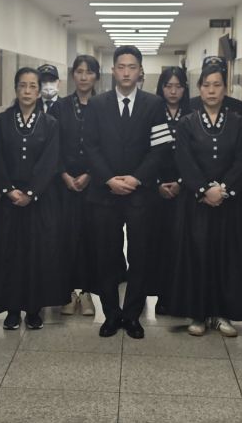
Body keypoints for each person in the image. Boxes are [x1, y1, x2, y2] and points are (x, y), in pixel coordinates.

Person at [164, 62, 242, 336]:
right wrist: (205, 189)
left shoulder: (238, 122)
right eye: (206, 85)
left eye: (217, 85)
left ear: (225, 89)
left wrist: (224, 189)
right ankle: (198, 314)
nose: (212, 90)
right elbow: (184, 160)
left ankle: (222, 314)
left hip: (231, 204)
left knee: (228, 257)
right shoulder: (187, 123)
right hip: (197, 203)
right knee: (198, 256)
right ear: (199, 89)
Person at [83, 46, 165, 338]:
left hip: (141, 193)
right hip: (104, 193)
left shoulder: (154, 104)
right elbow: (89, 146)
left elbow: (160, 148)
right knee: (106, 254)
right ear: (113, 71)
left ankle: (132, 315)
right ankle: (111, 314)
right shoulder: (97, 104)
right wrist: (109, 179)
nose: (126, 72)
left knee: (140, 255)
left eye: (132, 67)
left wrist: (136, 178)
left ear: (140, 71)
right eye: (121, 66)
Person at [0, 68, 68, 329]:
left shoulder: (50, 123)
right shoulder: (2, 121)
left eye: (32, 86)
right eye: (23, 86)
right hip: (8, 200)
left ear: (39, 91)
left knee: (37, 254)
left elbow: (49, 162)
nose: (27, 91)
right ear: (16, 89)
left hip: (39, 200)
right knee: (9, 254)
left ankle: (33, 309)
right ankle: (12, 309)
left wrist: (31, 193)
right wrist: (8, 190)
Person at [51, 55, 104, 317]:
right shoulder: (59, 107)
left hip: (95, 185)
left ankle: (87, 293)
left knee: (90, 238)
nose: (84, 77)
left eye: (89, 72)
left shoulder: (104, 106)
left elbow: (108, 146)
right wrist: (63, 174)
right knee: (65, 238)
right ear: (73, 75)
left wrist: (90, 174)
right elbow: (52, 145)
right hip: (64, 185)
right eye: (79, 72)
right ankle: (67, 292)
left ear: (97, 76)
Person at [151, 66, 189, 316]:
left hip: (186, 187)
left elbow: (196, 156)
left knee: (181, 243)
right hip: (155, 188)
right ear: (161, 88)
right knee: (159, 244)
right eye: (168, 86)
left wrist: (182, 182)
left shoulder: (193, 113)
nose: (173, 91)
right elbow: (144, 151)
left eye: (178, 86)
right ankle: (161, 295)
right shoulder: (152, 112)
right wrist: (157, 183)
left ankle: (181, 296)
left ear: (185, 89)